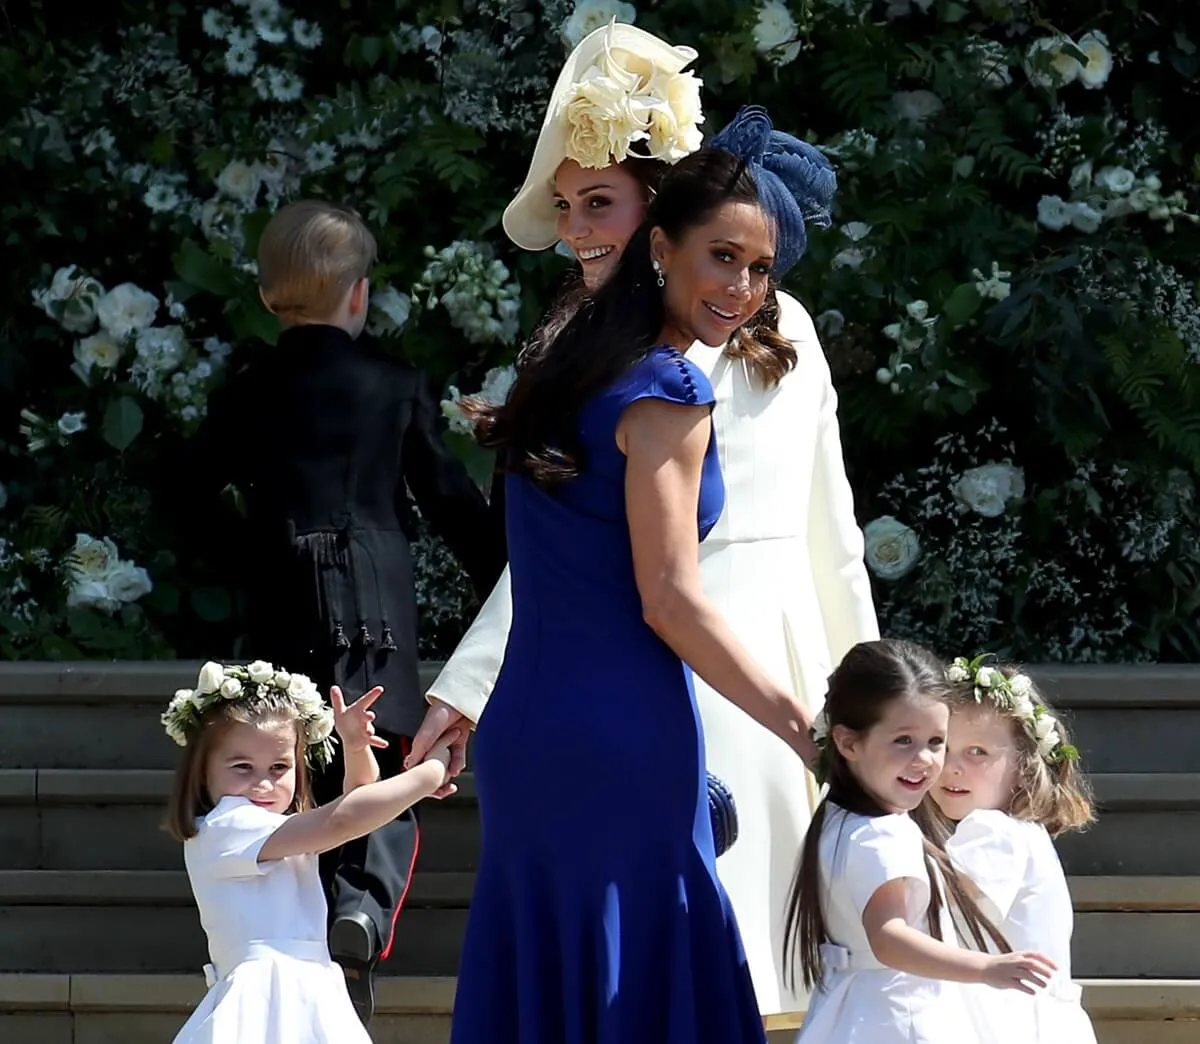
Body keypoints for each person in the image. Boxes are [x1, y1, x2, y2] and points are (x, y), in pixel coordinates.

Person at [410, 21, 878, 1020]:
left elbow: (828, 531)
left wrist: (864, 693)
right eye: (570, 204)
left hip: (731, 664)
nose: (582, 229)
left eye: (599, 202)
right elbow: (610, 560)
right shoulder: (613, 354)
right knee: (671, 981)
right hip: (662, 679)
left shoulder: (662, 337)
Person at [190, 200, 506, 1021]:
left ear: (267, 299)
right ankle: (362, 904)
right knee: (383, 759)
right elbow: (450, 502)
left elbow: (181, 491)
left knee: (288, 781)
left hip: (282, 607)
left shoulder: (250, 389)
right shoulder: (395, 386)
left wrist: (246, 552)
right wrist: (517, 581)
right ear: (360, 296)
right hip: (373, 615)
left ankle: (321, 923)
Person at [162, 659, 459, 1044]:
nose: (263, 784)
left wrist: (354, 747)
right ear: (203, 770)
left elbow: (358, 805)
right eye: (242, 767)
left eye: (279, 767)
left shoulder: (275, 829)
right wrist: (428, 775)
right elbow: (344, 820)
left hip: (309, 982)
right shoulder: (226, 826)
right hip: (267, 998)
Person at [787, 640, 1058, 1044]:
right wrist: (986, 968)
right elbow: (889, 938)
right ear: (847, 743)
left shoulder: (836, 818)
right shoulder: (884, 832)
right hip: (897, 1016)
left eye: (936, 742)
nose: (928, 760)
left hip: (845, 1011)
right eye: (903, 741)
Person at [930, 657, 1098, 1043]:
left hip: (1011, 1022)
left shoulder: (992, 830)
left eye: (977, 753)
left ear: (1023, 766)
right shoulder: (1022, 832)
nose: (951, 767)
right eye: (942, 746)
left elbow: (940, 909)